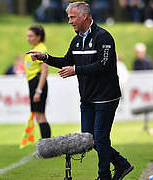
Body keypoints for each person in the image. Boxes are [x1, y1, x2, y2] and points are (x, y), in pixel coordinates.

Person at [27, 2, 133, 179]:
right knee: (89, 140)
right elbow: (66, 61)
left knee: (100, 138)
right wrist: (45, 58)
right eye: (69, 17)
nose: (69, 21)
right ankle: (122, 164)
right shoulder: (76, 40)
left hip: (106, 97)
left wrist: (76, 70)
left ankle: (104, 175)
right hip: (88, 98)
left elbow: (104, 65)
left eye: (72, 17)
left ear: (84, 16)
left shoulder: (104, 37)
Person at [24, 25, 51, 139]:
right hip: (33, 83)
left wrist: (38, 90)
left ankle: (46, 144)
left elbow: (44, 71)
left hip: (37, 82)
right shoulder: (36, 48)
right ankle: (45, 144)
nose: (28, 38)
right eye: (27, 36)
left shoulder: (41, 49)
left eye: (31, 36)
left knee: (40, 116)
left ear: (38, 37)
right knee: (38, 115)